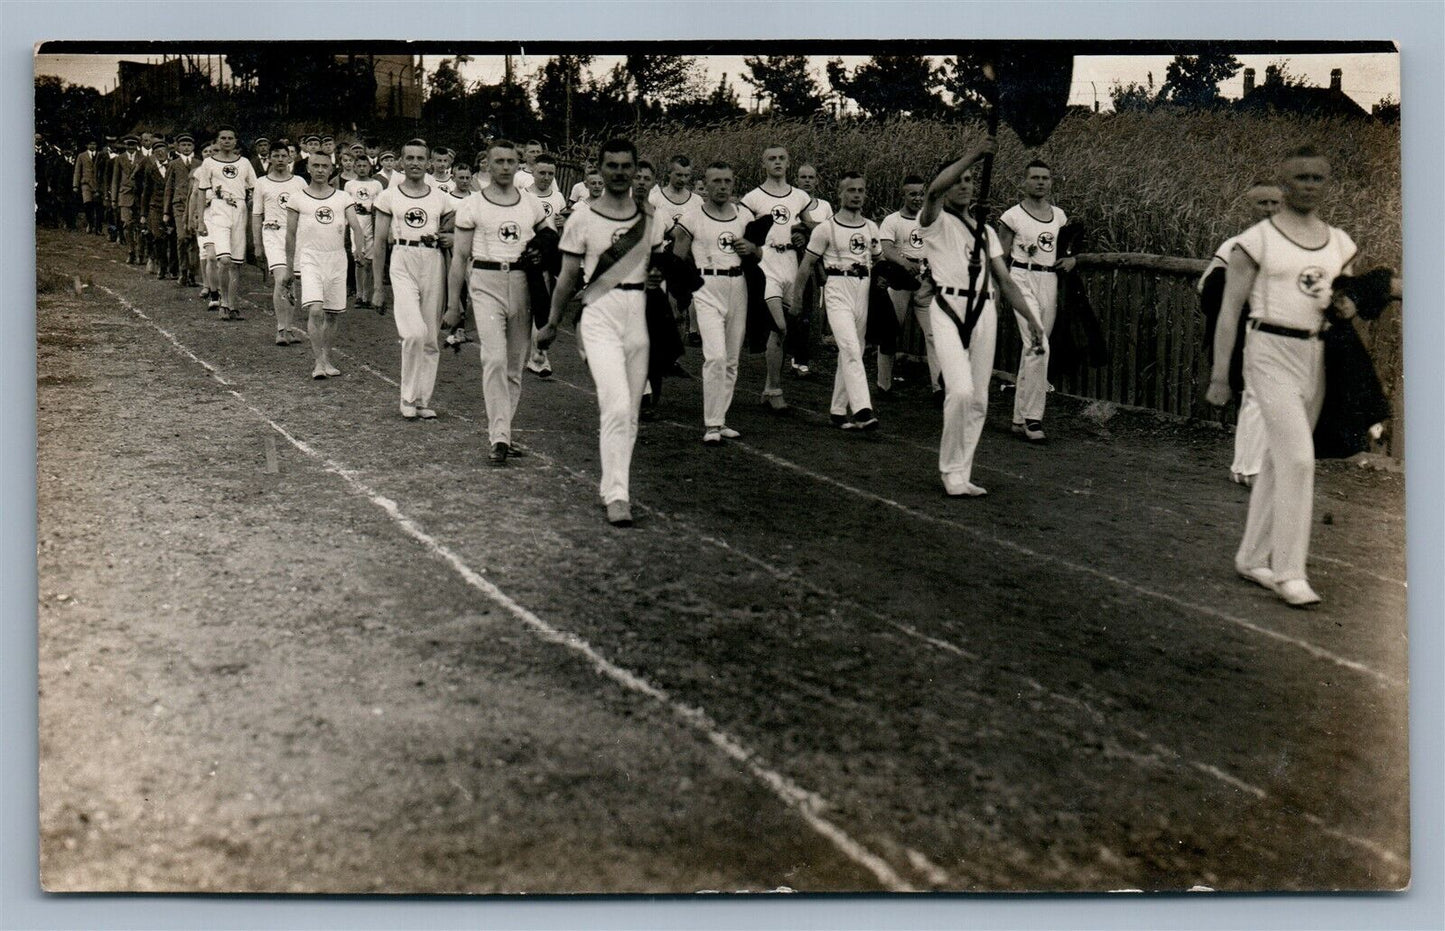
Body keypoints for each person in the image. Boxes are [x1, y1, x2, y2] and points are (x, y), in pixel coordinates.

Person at [1206, 146, 1358, 609]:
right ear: (1284, 181)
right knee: (1298, 460)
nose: (1309, 185)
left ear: (1327, 182)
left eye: (1318, 177)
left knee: (1277, 460)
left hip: (1315, 355)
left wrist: (1347, 306)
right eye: (1300, 177)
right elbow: (1229, 310)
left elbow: (1343, 300)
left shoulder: (1340, 243)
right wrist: (1220, 376)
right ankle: (1290, 571)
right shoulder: (1256, 241)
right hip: (1267, 350)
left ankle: (1252, 558)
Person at [536, 138, 668, 527]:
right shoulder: (582, 218)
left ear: (634, 169)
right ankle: (617, 493)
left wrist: (658, 276)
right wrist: (553, 323)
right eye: (612, 166)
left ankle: (616, 483)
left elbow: (655, 265)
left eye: (626, 166)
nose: (619, 173)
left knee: (630, 412)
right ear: (600, 168)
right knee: (616, 404)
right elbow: (567, 278)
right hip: (599, 315)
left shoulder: (650, 217)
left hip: (637, 315)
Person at [919, 138, 1043, 497]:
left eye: (970, 179)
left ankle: (961, 472)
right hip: (947, 308)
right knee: (958, 391)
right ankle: (948, 470)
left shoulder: (985, 231)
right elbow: (933, 191)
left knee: (978, 400)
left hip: (984, 308)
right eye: (958, 178)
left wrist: (1032, 320)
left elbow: (1004, 280)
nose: (964, 184)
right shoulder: (934, 220)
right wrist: (974, 153)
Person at [446, 139, 554, 464]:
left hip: (522, 283)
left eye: (511, 161)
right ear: (487, 165)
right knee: (492, 358)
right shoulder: (473, 205)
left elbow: (551, 238)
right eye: (499, 162)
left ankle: (503, 431)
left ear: (519, 164)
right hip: (485, 282)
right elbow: (460, 256)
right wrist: (454, 303)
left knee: (514, 365)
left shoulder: (532, 204)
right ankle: (499, 438)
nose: (505, 167)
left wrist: (544, 248)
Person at [1198, 180, 1284, 486]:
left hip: (1281, 333)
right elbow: (1206, 287)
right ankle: (1248, 466)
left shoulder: (1290, 244)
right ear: (1250, 207)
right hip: (1247, 330)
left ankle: (1247, 465)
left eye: (1275, 203)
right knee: (1252, 396)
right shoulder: (1235, 244)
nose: (1270, 209)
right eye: (1263, 203)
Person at [371, 139, 457, 419]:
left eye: (421, 158)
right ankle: (406, 398)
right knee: (413, 332)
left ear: (429, 162)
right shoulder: (389, 196)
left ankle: (422, 399)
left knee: (430, 336)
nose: (415, 163)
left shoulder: (441, 197)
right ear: (401, 162)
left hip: (432, 261)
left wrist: (450, 237)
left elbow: (459, 229)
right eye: (410, 158)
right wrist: (377, 288)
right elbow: (380, 242)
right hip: (402, 258)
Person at [673, 161, 758, 443]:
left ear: (733, 184)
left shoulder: (743, 216)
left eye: (727, 181)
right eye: (716, 181)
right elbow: (678, 257)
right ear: (706, 184)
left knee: (732, 359)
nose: (722, 187)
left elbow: (758, 256)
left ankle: (720, 420)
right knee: (716, 356)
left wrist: (752, 249)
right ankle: (711, 424)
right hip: (706, 286)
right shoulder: (692, 216)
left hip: (737, 286)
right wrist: (681, 294)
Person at [791, 172, 882, 431]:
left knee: (853, 350)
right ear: (840, 194)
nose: (856, 195)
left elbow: (877, 257)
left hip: (861, 288)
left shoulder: (871, 227)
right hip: (836, 288)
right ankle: (863, 409)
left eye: (860, 190)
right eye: (850, 190)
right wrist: (797, 299)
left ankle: (838, 410)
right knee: (851, 348)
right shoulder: (825, 228)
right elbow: (807, 264)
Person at [997, 160, 1075, 442]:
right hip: (1021, 278)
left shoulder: (1059, 216)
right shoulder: (1013, 216)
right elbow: (1000, 255)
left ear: (1051, 182)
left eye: (1045, 178)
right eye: (1035, 178)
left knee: (1033, 350)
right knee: (1038, 343)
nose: (1040, 182)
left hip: (1049, 280)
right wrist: (999, 288)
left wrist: (1073, 258)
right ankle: (1033, 419)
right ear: (1025, 182)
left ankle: (1018, 419)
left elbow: (1068, 249)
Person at [741, 145, 813, 412]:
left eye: (782, 158)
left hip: (791, 264)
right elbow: (744, 232)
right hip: (766, 263)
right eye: (772, 158)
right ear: (764, 163)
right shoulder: (753, 198)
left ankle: (772, 388)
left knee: (785, 329)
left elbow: (812, 228)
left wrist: (803, 234)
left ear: (788, 162)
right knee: (779, 325)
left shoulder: (799, 196)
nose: (778, 162)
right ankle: (772, 388)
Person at [285, 150, 366, 379]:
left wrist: (358, 250)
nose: (320, 170)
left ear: (332, 170)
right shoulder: (297, 198)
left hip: (337, 258)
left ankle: (327, 357)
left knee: (332, 314)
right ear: (308, 168)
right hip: (310, 258)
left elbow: (356, 228)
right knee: (316, 309)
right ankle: (318, 362)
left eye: (325, 166)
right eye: (316, 165)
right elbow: (290, 234)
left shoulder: (342, 198)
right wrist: (290, 265)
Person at [878, 174, 941, 400]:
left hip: (925, 283)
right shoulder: (892, 221)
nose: (917, 198)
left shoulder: (931, 220)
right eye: (912, 194)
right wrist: (905, 264)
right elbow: (887, 249)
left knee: (934, 334)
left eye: (921, 194)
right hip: (900, 280)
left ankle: (938, 388)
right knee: (891, 331)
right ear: (903, 195)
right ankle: (883, 384)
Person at [194, 125, 258, 320]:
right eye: (223, 138)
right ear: (217, 141)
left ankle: (233, 305)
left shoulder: (245, 162)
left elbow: (255, 188)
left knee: (236, 264)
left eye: (231, 138)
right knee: (224, 260)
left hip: (239, 210)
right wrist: (200, 222)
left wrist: (253, 204)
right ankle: (222, 301)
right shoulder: (209, 163)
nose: (227, 141)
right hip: (218, 210)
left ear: (236, 141)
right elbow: (202, 191)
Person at [253, 146, 308, 344]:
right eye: (276, 156)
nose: (280, 159)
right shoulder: (262, 183)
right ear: (270, 159)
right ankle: (280, 329)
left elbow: (306, 210)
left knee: (290, 279)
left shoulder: (299, 182)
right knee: (280, 278)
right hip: (272, 233)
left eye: (284, 156)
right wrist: (257, 243)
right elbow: (257, 214)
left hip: (294, 234)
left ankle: (289, 327)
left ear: (290, 158)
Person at [524, 153, 568, 378]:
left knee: (544, 305)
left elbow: (559, 225)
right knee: (525, 307)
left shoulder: (558, 197)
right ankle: (528, 354)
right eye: (542, 172)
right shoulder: (523, 195)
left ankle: (539, 357)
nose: (546, 177)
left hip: (550, 255)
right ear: (532, 171)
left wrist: (563, 222)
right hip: (529, 255)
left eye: (551, 173)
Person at [788, 163, 833, 377]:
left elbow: (829, 232)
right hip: (792, 260)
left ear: (817, 181)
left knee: (810, 311)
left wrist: (805, 231)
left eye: (811, 177)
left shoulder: (824, 206)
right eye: (802, 176)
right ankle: (794, 354)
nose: (807, 180)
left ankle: (802, 357)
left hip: (817, 263)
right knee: (794, 308)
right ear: (796, 180)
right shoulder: (789, 203)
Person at [345, 155, 385, 309]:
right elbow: (346, 205)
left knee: (369, 261)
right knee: (358, 260)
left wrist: (370, 208)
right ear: (354, 167)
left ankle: (367, 296)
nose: (362, 168)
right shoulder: (350, 185)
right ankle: (359, 294)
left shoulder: (376, 185)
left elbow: (381, 205)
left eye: (364, 166)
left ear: (370, 167)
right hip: (356, 223)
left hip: (371, 223)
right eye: (359, 165)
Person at [163, 134, 200, 288]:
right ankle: (183, 271)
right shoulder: (173, 164)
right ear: (178, 147)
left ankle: (192, 273)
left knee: (194, 240)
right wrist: (166, 211)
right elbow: (168, 188)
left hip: (195, 205)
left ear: (193, 147)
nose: (186, 148)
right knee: (182, 237)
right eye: (183, 145)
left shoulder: (200, 163)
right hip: (178, 205)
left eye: (189, 145)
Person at [137, 139, 174, 278]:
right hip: (155, 206)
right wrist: (143, 213)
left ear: (168, 153)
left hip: (171, 206)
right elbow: (146, 192)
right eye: (157, 152)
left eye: (163, 151)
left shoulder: (173, 166)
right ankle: (162, 267)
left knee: (173, 237)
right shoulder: (150, 169)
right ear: (154, 154)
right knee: (159, 237)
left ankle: (173, 268)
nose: (161, 154)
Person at [111, 135, 143, 265]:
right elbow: (115, 180)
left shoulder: (143, 158)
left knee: (141, 226)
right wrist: (114, 199)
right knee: (127, 225)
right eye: (128, 145)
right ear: (125, 145)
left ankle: (140, 252)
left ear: (136, 145)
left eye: (133, 145)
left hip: (139, 196)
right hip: (124, 196)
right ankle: (131, 251)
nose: (131, 147)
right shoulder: (120, 159)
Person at [72, 139, 102, 234]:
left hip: (98, 184)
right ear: (86, 145)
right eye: (90, 144)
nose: (92, 146)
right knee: (88, 204)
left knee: (98, 205)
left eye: (94, 144)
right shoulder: (81, 156)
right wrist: (75, 185)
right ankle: (90, 223)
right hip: (86, 183)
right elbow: (77, 171)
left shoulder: (100, 155)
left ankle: (98, 227)